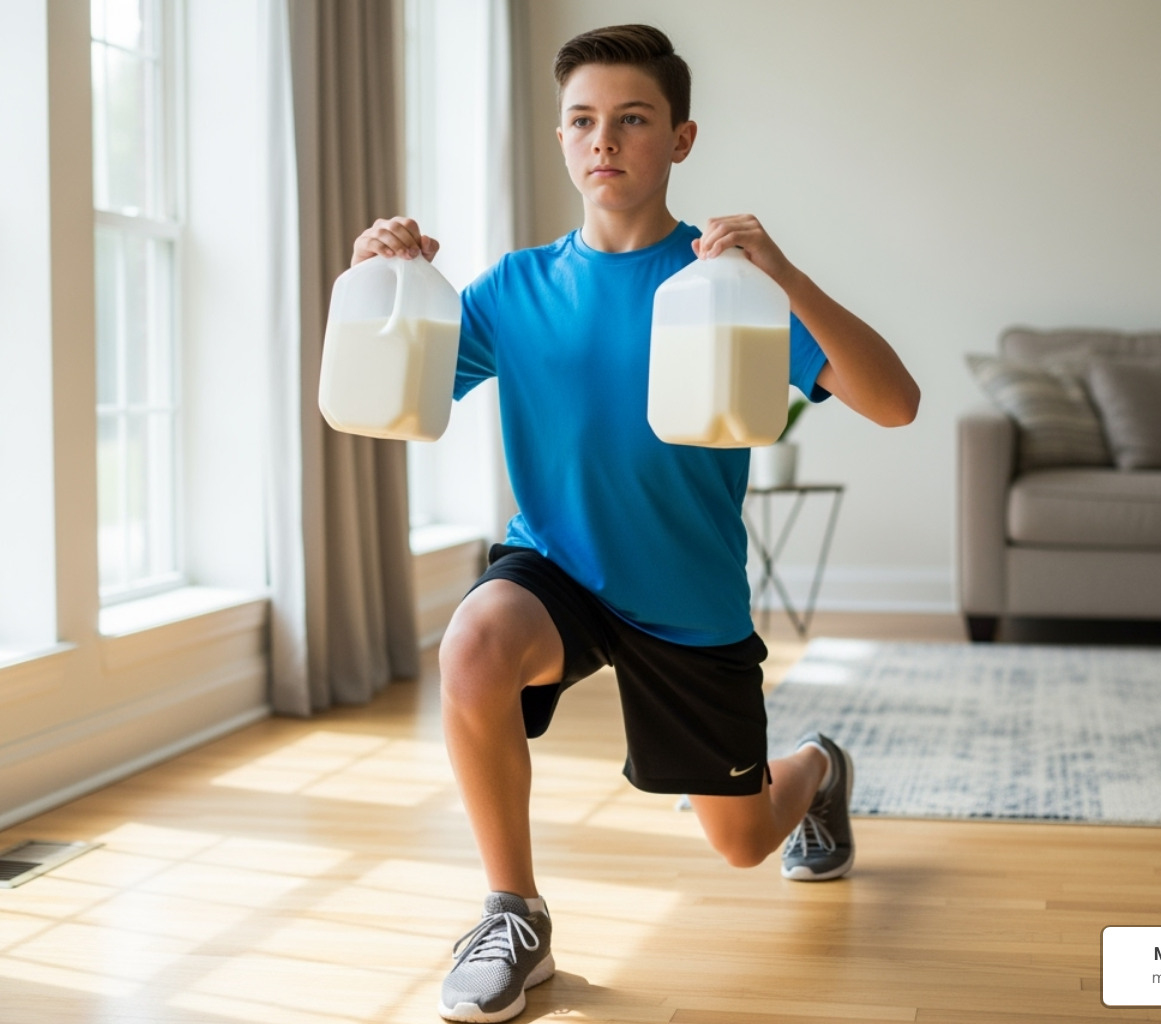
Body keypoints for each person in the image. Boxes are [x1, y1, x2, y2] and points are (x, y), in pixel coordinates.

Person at [351, 24, 919, 1024]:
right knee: (473, 645)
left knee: (742, 840)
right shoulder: (513, 290)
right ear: (564, 141)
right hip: (555, 568)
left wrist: (785, 275)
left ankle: (820, 766)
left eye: (632, 119)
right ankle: (513, 914)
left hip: (686, 601)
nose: (603, 140)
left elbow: (895, 401)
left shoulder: (728, 285)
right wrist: (382, 286)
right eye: (582, 121)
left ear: (680, 140)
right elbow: (396, 398)